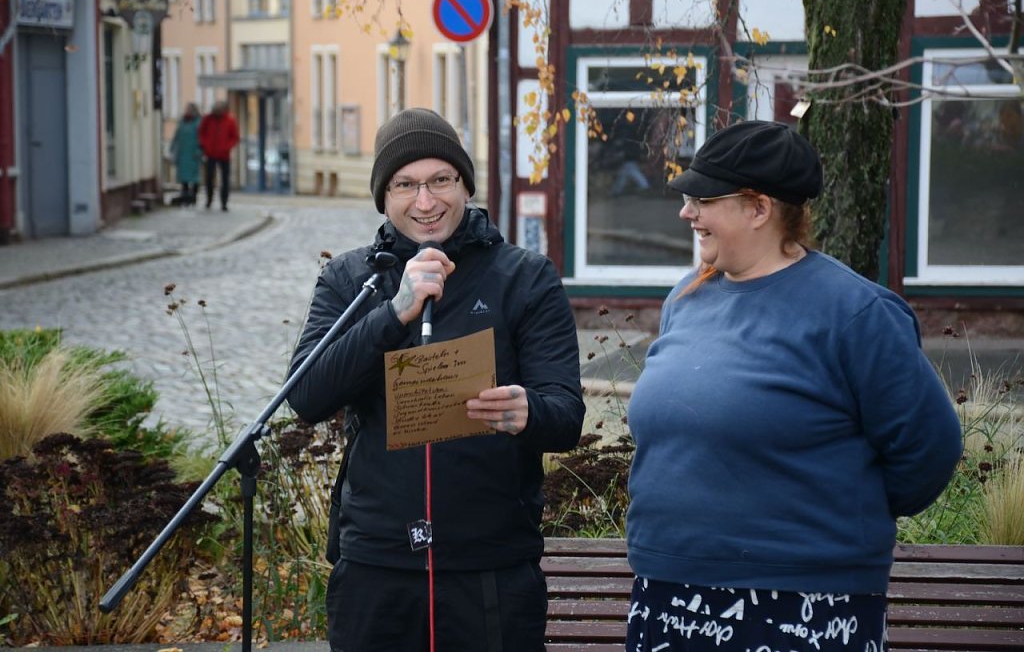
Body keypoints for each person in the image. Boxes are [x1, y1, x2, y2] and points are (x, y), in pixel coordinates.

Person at [624, 120, 963, 651]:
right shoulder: (686, 300)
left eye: (703, 200)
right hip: (668, 589)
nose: (687, 213)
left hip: (804, 600)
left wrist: (828, 515)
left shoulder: (856, 314)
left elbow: (929, 449)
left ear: (759, 208)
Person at [286, 107, 585, 652]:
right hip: (377, 562)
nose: (425, 202)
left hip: (489, 564)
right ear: (384, 197)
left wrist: (529, 411)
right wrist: (393, 312)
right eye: (405, 185)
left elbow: (566, 416)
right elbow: (306, 396)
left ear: (465, 185)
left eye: (441, 180)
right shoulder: (350, 279)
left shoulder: (524, 277)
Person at [198, 101, 240, 211]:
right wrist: (205, 145)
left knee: (225, 179)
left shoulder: (230, 120)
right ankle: (209, 199)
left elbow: (235, 137)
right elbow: (201, 133)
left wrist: (227, 147)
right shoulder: (208, 119)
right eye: (216, 108)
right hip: (210, 153)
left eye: (219, 109)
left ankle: (224, 202)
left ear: (224, 110)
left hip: (224, 155)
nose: (217, 110)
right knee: (209, 177)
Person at [169, 103, 202, 206]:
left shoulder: (198, 123)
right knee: (184, 178)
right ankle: (185, 197)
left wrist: (200, 150)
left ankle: (193, 197)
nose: (187, 111)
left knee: (194, 177)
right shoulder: (182, 122)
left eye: (189, 109)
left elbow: (201, 138)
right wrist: (172, 148)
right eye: (186, 109)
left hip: (193, 154)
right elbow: (176, 136)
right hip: (183, 153)